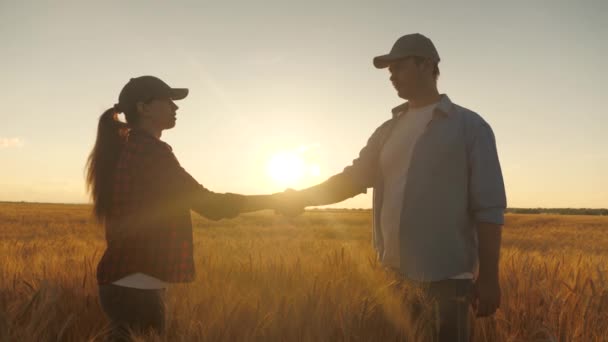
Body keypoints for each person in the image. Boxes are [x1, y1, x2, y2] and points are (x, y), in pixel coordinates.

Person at [283, 33, 506, 341]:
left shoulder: (470, 127)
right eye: (389, 70)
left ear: (427, 65)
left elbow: (489, 207)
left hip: (447, 279)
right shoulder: (388, 130)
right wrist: (300, 198)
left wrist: (490, 278)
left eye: (399, 66)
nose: (392, 76)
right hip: (393, 275)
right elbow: (353, 178)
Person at [85, 76, 285, 341]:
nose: (175, 108)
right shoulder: (152, 153)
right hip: (137, 288)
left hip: (124, 284)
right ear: (144, 108)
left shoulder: (130, 149)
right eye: (167, 101)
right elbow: (210, 205)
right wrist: (277, 200)